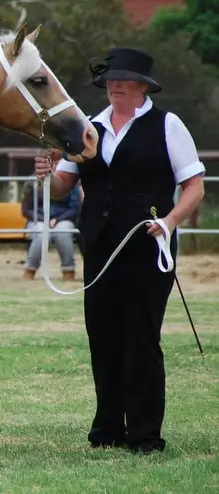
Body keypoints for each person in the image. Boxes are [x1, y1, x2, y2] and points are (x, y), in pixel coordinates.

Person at [34, 47, 205, 454]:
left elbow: (194, 185)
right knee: (103, 337)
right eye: (111, 82)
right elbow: (62, 186)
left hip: (148, 247)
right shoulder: (88, 126)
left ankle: (145, 435)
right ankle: (107, 430)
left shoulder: (168, 125)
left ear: (143, 87)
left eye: (124, 83)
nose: (116, 88)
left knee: (140, 338)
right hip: (99, 246)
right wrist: (46, 175)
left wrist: (169, 221)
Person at [21, 178, 81, 281]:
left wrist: (58, 219)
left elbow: (75, 208)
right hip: (38, 219)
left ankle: (68, 270)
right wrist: (43, 219)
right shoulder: (32, 182)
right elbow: (26, 210)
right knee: (42, 234)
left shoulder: (70, 181)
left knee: (63, 232)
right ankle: (30, 269)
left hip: (63, 218)